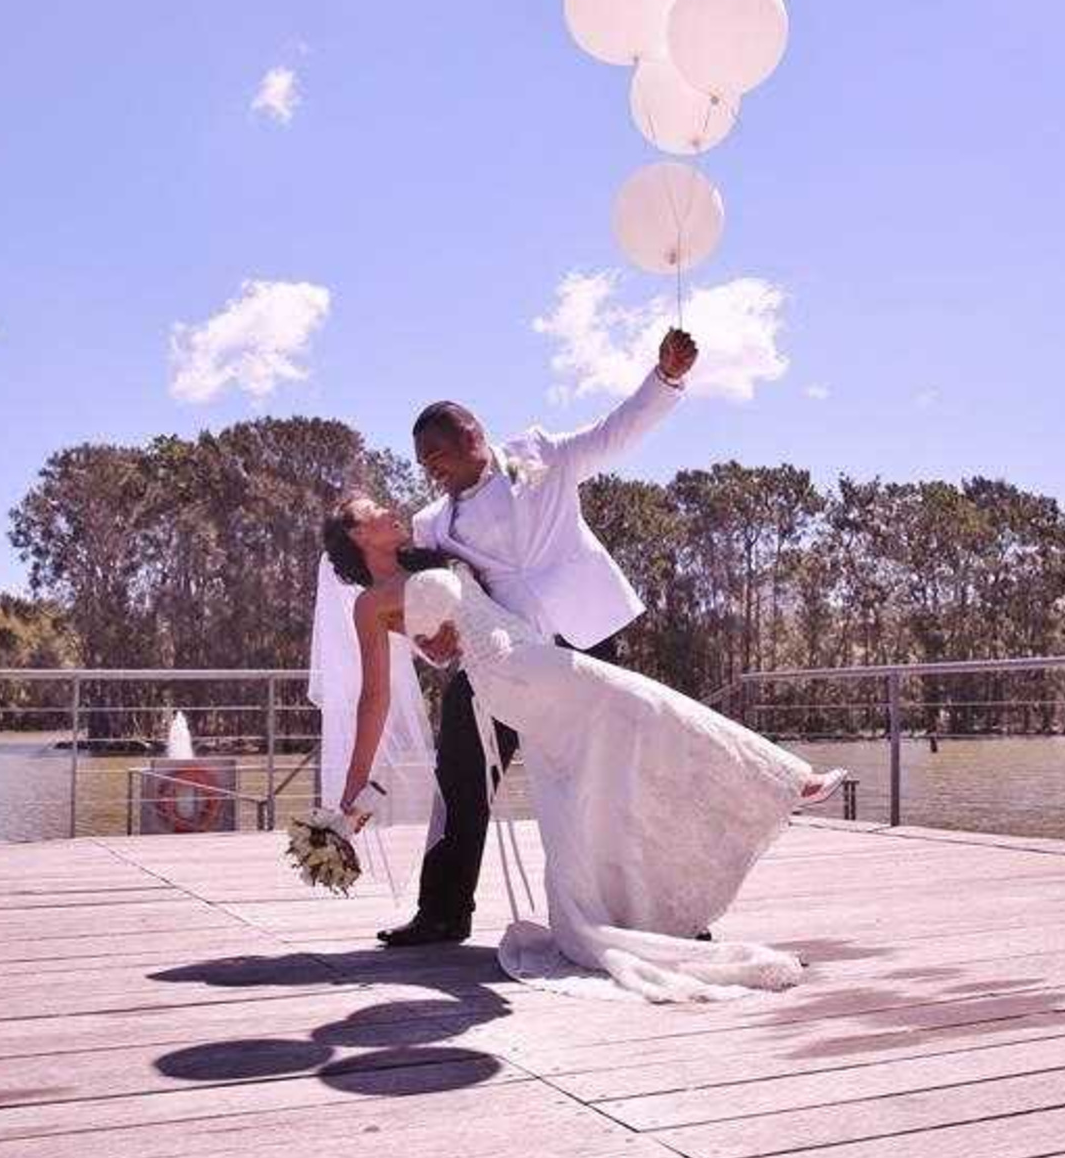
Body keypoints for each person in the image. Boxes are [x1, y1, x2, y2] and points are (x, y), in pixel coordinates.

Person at [321, 505, 846, 1003]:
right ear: (356, 535)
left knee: (593, 779)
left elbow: (447, 635)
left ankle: (628, 907)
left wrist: (443, 638)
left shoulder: (427, 560)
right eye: (373, 512)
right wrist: (352, 793)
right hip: (512, 673)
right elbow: (376, 697)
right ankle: (784, 780)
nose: (390, 512)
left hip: (530, 654)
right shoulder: (371, 603)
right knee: (646, 703)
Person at [383, 329, 695, 949]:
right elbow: (434, 604)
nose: (430, 472)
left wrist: (665, 379)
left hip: (582, 641)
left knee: (610, 780)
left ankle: (657, 916)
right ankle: (442, 912)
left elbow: (616, 431)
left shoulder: (542, 455)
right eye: (423, 464)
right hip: (498, 657)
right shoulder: (431, 524)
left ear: (473, 437)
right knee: (462, 773)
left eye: (435, 456)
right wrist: (433, 645)